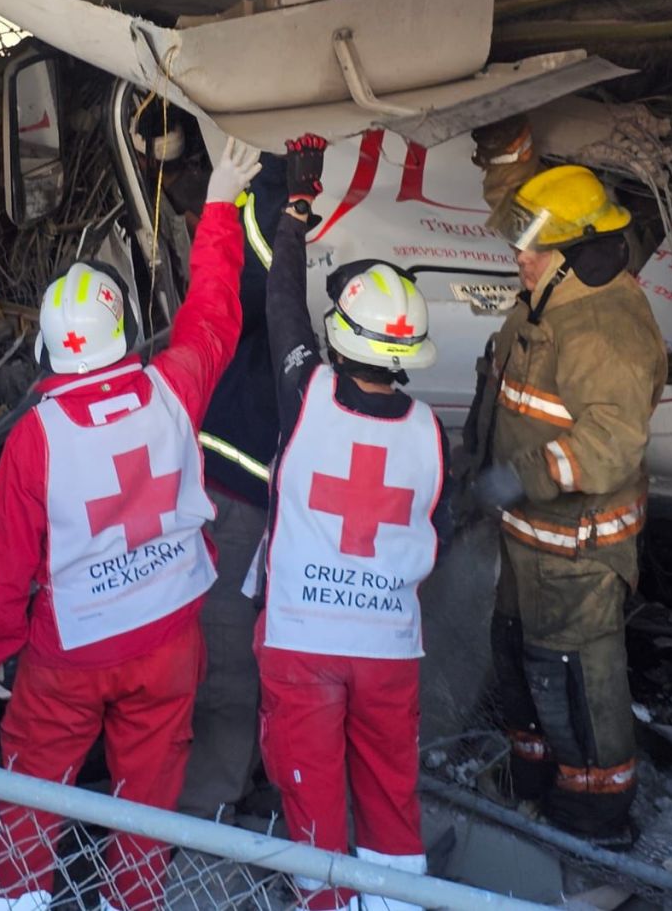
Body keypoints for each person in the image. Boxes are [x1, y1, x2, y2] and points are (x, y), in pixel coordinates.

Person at [0, 138, 260, 911]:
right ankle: (132, 901)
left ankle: (17, 901)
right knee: (146, 799)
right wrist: (221, 200)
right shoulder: (173, 387)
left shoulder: (39, 435)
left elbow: (4, 561)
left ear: (48, 350)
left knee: (34, 797)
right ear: (123, 328)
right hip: (167, 636)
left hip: (71, 653)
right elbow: (213, 308)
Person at [254, 134, 451, 911]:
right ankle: (397, 903)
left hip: (303, 636)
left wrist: (295, 215)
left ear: (341, 336)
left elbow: (280, 306)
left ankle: (323, 903)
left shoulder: (307, 394)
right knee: (391, 800)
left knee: (312, 802)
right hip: (388, 645)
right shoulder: (432, 429)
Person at [467, 118, 667, 847]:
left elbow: (608, 445)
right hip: (530, 541)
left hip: (576, 551)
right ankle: (531, 779)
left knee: (575, 679)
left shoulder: (605, 333)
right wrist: (505, 150)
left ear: (576, 254)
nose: (521, 259)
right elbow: (519, 211)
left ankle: (594, 816)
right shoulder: (562, 286)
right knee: (519, 655)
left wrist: (517, 477)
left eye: (536, 249)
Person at [177, 153, 288, 825]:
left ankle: (206, 806)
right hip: (245, 488)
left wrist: (249, 196)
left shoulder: (269, 258)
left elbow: (236, 283)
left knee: (221, 657)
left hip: (233, 494)